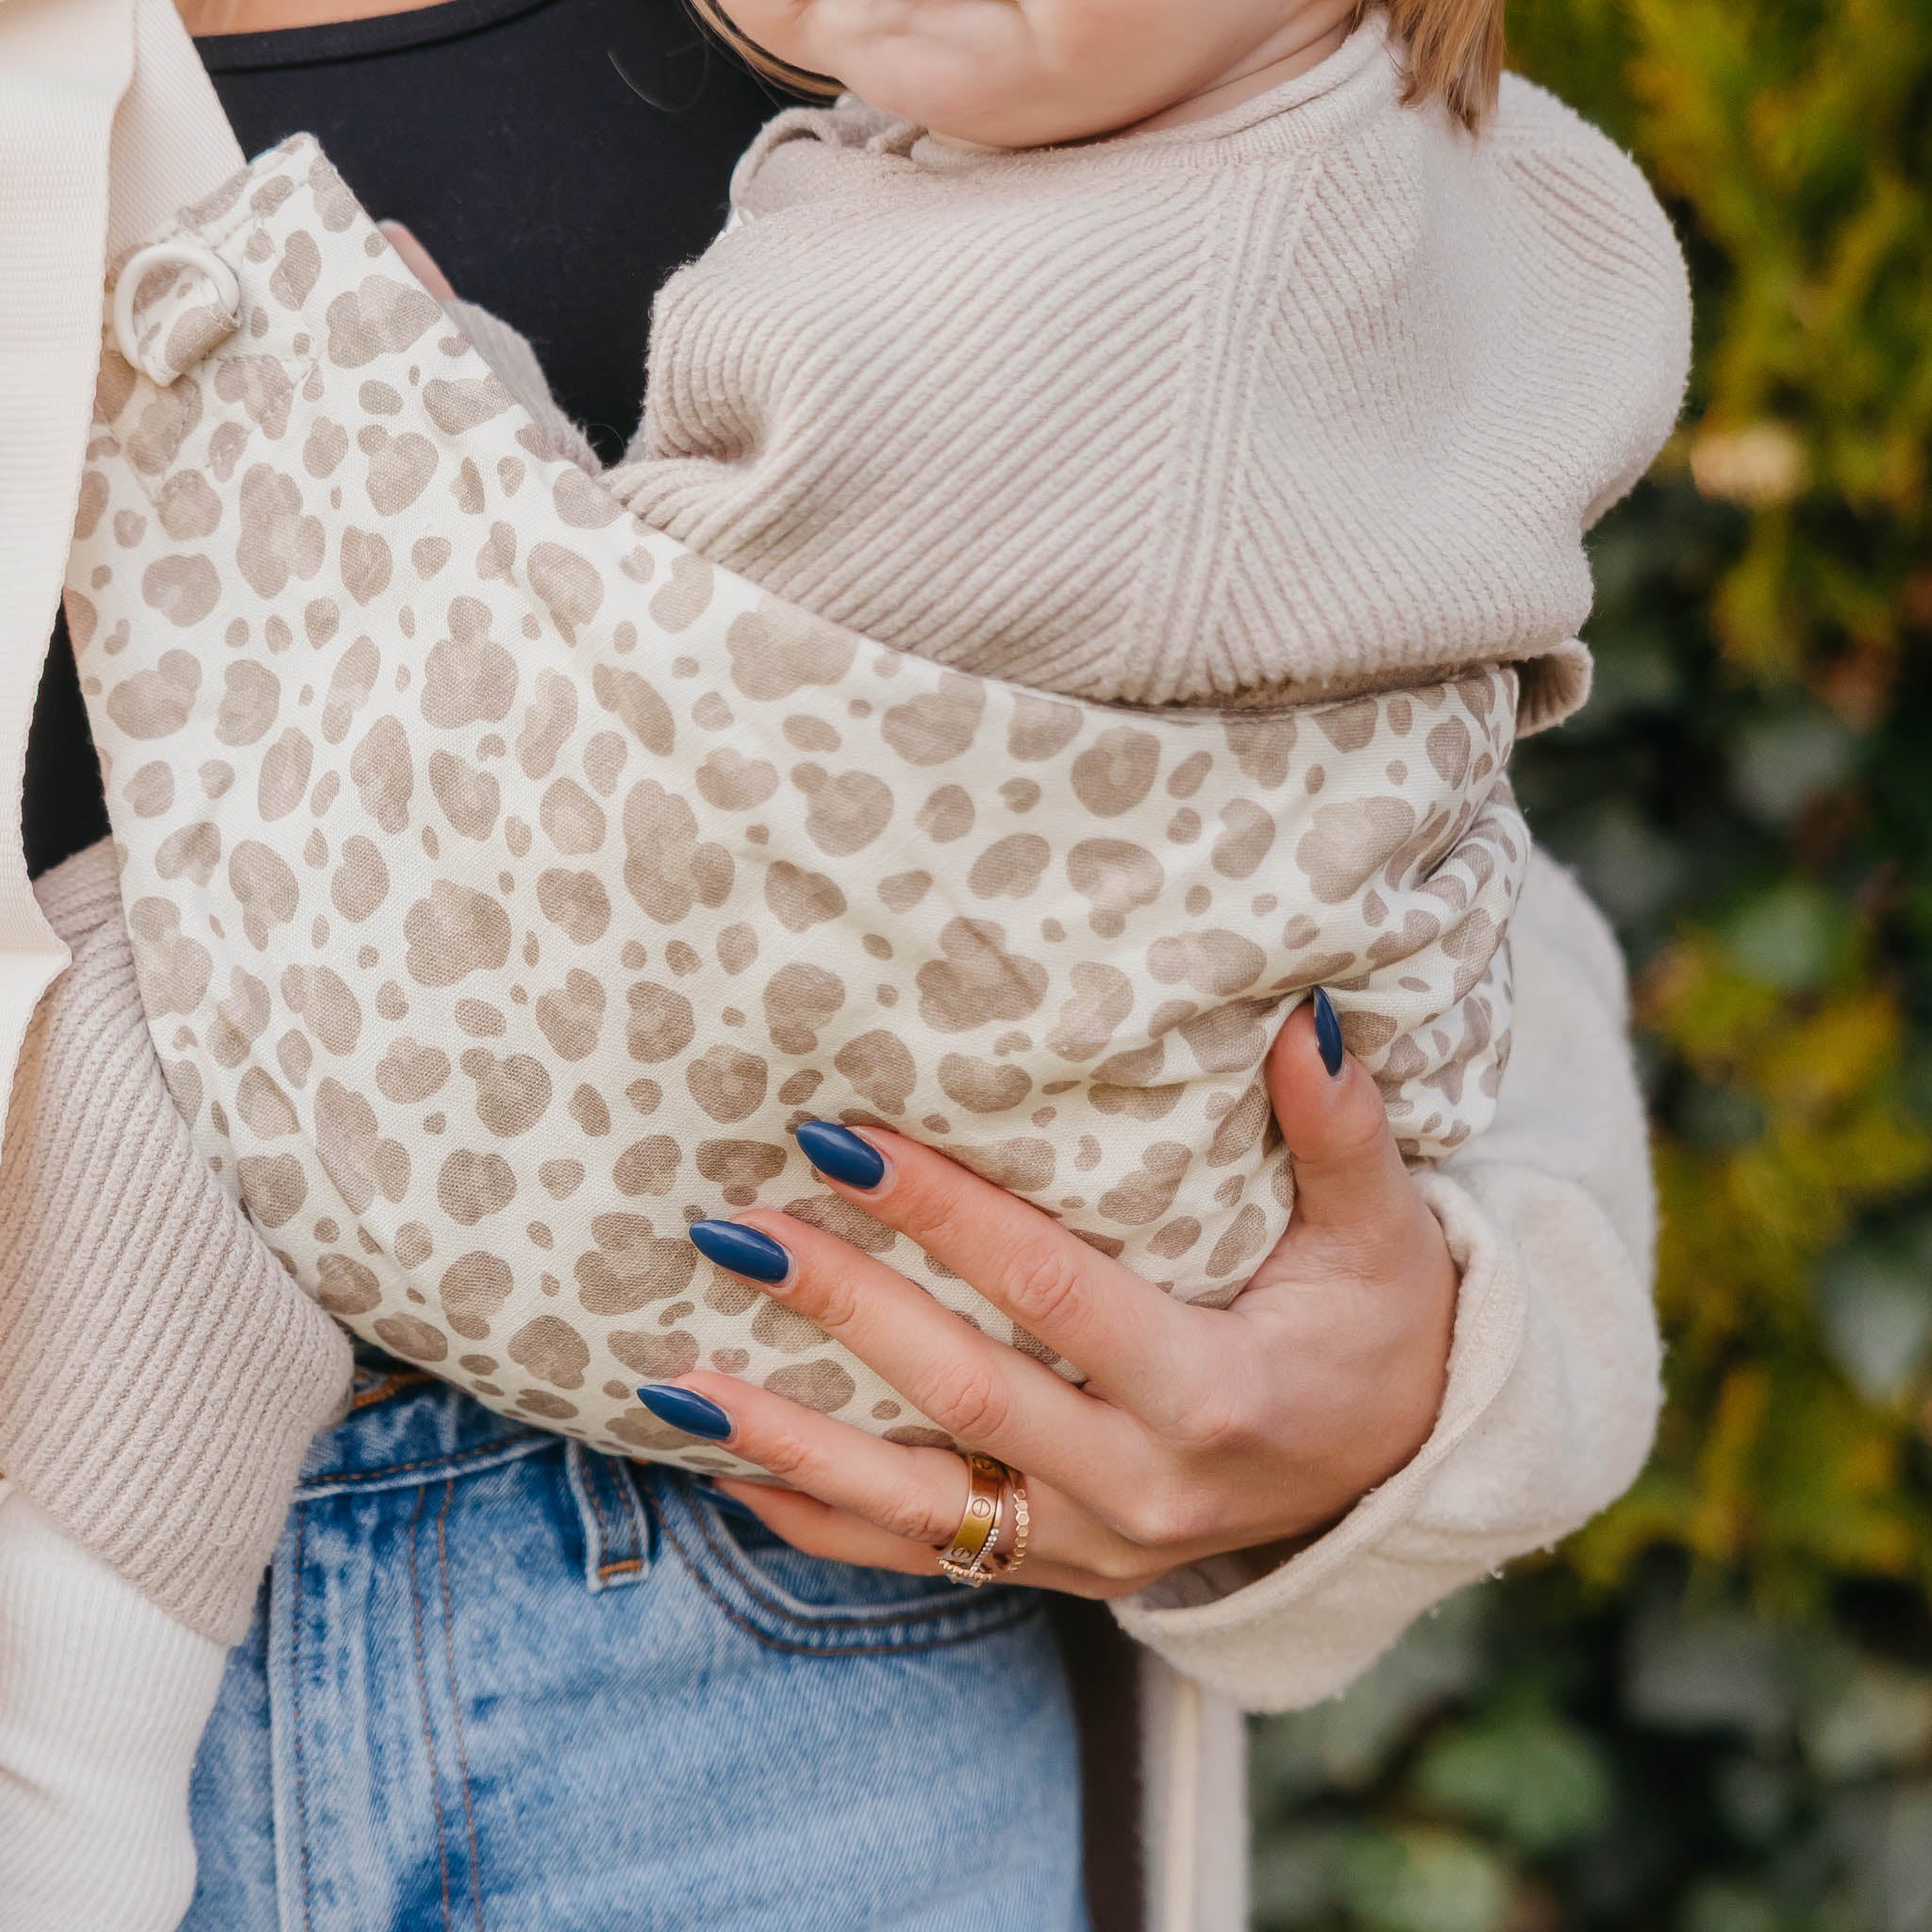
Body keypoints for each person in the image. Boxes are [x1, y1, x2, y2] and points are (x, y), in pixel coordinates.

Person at [0, 0, 1671, 1925]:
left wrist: (1433, 1375)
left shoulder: (1079, 113)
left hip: (798, 1582)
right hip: (644, 1425)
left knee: (138, 980)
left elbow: (1380, 821)